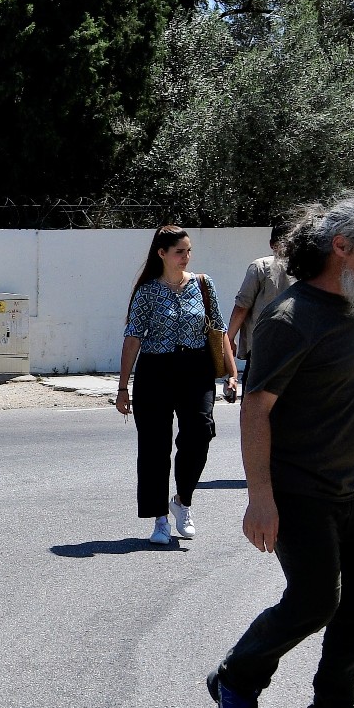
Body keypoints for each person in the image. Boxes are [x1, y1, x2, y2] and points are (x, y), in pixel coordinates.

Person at [210, 194, 354, 708]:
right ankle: (238, 677)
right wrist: (260, 499)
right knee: (316, 599)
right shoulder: (290, 319)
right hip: (299, 487)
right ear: (340, 246)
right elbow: (256, 409)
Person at [116, 226, 238, 547]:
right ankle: (159, 518)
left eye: (188, 251)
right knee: (154, 446)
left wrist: (231, 373)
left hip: (196, 369)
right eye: (179, 252)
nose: (186, 257)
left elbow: (219, 329)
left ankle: (183, 500)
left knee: (200, 431)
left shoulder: (203, 284)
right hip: (155, 371)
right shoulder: (147, 292)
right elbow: (133, 338)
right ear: (162, 254)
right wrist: (122, 387)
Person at [227, 224, 291, 371]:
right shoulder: (306, 270)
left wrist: (229, 338)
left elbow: (242, 306)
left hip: (262, 345)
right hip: (294, 347)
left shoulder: (260, 266)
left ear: (271, 244)